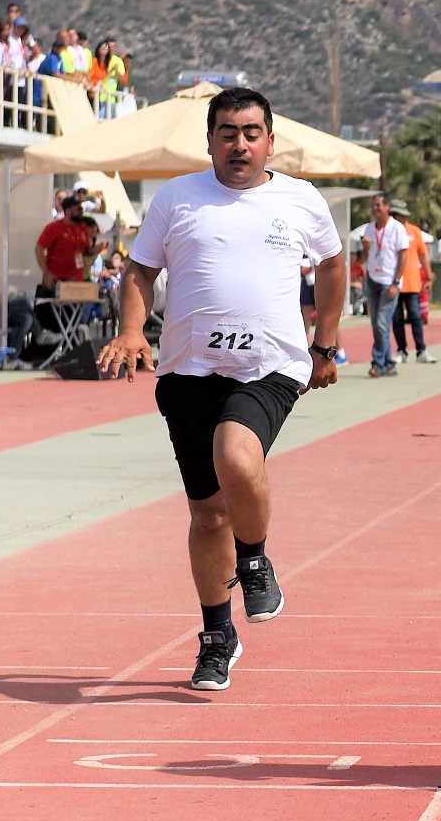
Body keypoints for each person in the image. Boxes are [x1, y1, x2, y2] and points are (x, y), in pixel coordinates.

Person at [96, 86, 347, 691]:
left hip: (270, 366)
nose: (240, 144)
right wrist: (132, 329)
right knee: (207, 518)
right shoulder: (177, 198)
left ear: (269, 140)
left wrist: (325, 344)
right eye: (228, 133)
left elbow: (333, 265)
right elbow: (141, 270)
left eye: (251, 132)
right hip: (187, 372)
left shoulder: (301, 200)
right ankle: (217, 636)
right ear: (209, 139)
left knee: (237, 455)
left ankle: (255, 557)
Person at [354, 194, 409, 377]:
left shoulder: (397, 228)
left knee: (381, 324)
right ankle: (389, 364)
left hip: (389, 282)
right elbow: (361, 260)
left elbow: (403, 257)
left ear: (387, 207)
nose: (375, 209)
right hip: (373, 280)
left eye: (378, 205)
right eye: (373, 206)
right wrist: (366, 248)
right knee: (376, 325)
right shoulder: (369, 229)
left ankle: (378, 363)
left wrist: (396, 282)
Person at [389, 201, 435, 365]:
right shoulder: (390, 231)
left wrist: (429, 277)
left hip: (412, 283)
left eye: (399, 215)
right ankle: (402, 351)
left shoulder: (414, 231)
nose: (397, 218)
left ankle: (421, 350)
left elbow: (424, 255)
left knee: (415, 316)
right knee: (397, 318)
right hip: (394, 282)